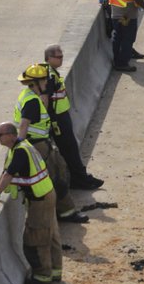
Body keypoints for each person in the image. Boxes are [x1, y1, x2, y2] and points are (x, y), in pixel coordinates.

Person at [0, 123, 63, 284]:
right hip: (46, 193)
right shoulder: (21, 146)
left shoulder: (20, 151)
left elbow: (8, 174)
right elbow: (7, 171)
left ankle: (43, 275)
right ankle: (56, 271)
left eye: (0, 135)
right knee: (51, 233)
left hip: (40, 199)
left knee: (35, 238)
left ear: (11, 135)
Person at [14, 64, 88, 223]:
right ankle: (67, 213)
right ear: (34, 83)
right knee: (57, 178)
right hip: (38, 146)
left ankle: (61, 211)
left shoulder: (28, 95)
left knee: (59, 171)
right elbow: (24, 125)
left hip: (39, 143)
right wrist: (19, 147)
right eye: (43, 81)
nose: (47, 84)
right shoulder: (32, 101)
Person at [43, 44, 103, 190]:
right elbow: (44, 100)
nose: (61, 59)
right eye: (58, 57)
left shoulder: (51, 73)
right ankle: (80, 179)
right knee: (69, 149)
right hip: (57, 120)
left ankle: (77, 177)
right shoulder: (49, 76)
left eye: (62, 56)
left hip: (61, 117)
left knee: (69, 149)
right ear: (48, 58)